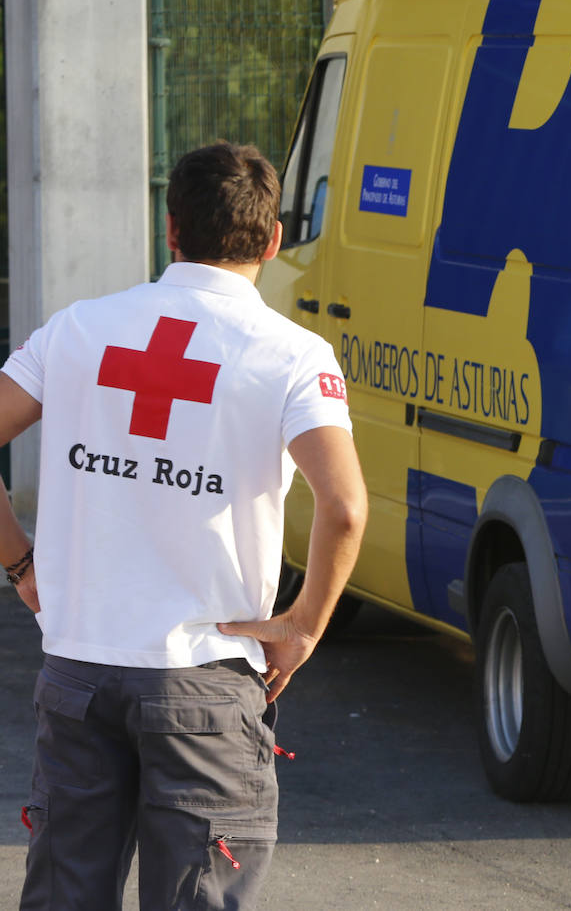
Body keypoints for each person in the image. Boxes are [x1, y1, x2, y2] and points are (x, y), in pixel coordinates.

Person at [0, 141, 368, 910]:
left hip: (78, 670)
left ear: (171, 231)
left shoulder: (79, 330)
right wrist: (302, 627)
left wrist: (19, 565)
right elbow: (345, 507)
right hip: (205, 678)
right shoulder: (293, 356)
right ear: (272, 241)